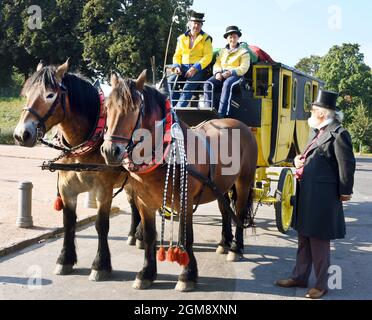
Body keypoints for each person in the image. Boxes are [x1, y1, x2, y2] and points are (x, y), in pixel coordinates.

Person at [276, 89, 356, 299]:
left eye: (313, 109)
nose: (310, 112)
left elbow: (346, 166)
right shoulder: (316, 132)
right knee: (303, 238)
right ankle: (300, 277)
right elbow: (306, 156)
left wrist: (345, 192)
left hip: (323, 197)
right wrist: (296, 161)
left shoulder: (339, 134)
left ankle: (321, 285)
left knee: (319, 243)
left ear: (322, 112)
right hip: (307, 193)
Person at [169, 10, 213, 107]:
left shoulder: (206, 38)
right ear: (189, 24)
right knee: (170, 81)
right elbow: (177, 55)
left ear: (201, 25)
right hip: (183, 67)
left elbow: (208, 57)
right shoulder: (181, 38)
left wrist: (195, 68)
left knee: (188, 87)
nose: (196, 26)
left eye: (199, 24)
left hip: (199, 69)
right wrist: (176, 66)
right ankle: (171, 107)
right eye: (194, 23)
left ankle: (178, 111)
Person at [203, 26, 250, 116]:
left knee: (227, 84)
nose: (232, 39)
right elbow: (217, 64)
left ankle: (222, 113)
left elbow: (244, 67)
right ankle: (208, 111)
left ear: (238, 38)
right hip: (221, 73)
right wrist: (217, 73)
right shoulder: (221, 52)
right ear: (227, 39)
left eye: (234, 37)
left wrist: (231, 72)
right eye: (230, 37)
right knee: (208, 84)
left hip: (236, 75)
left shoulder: (244, 52)